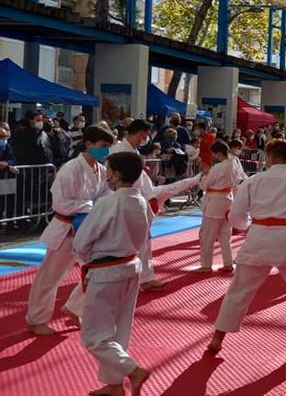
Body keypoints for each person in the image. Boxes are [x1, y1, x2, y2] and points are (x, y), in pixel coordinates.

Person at [207, 139, 286, 357]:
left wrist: (246, 226)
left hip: (259, 237)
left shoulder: (254, 181)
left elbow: (236, 215)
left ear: (269, 158)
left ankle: (217, 339)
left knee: (238, 291)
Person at [73, 152, 151, 396]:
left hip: (107, 271)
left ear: (117, 174)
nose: (107, 174)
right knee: (119, 330)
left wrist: (86, 258)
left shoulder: (110, 202)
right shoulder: (142, 201)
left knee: (94, 334)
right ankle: (114, 384)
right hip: (131, 265)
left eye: (109, 170)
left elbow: (83, 240)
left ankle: (133, 370)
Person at [25, 125, 115, 336]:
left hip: (89, 230)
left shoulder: (102, 171)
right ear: (88, 144)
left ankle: (74, 308)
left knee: (98, 272)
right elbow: (61, 203)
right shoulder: (71, 168)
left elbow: (105, 196)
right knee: (50, 277)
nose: (106, 151)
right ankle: (36, 320)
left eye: (108, 147)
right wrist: (90, 206)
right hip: (66, 228)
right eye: (103, 146)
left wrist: (103, 205)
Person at [110, 119, 199, 290]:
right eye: (144, 135)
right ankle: (137, 278)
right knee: (128, 244)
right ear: (138, 133)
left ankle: (144, 278)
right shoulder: (120, 151)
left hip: (141, 199)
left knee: (142, 243)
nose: (145, 139)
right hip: (128, 202)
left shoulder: (132, 151)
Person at [194, 140, 238, 273]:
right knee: (225, 235)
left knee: (207, 235)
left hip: (215, 203)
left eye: (214, 154)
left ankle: (206, 265)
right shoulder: (234, 165)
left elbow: (204, 185)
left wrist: (204, 176)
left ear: (219, 153)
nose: (213, 156)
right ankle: (228, 263)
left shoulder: (218, 168)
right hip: (228, 200)